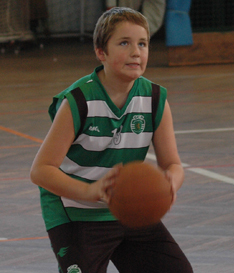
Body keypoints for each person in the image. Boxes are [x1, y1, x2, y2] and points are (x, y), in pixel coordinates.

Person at [30, 7, 193, 273]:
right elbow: (40, 171)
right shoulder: (78, 101)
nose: (136, 52)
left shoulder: (154, 99)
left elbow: (173, 163)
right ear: (100, 52)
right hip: (74, 210)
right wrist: (89, 192)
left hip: (128, 208)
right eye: (124, 43)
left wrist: (170, 182)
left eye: (142, 43)